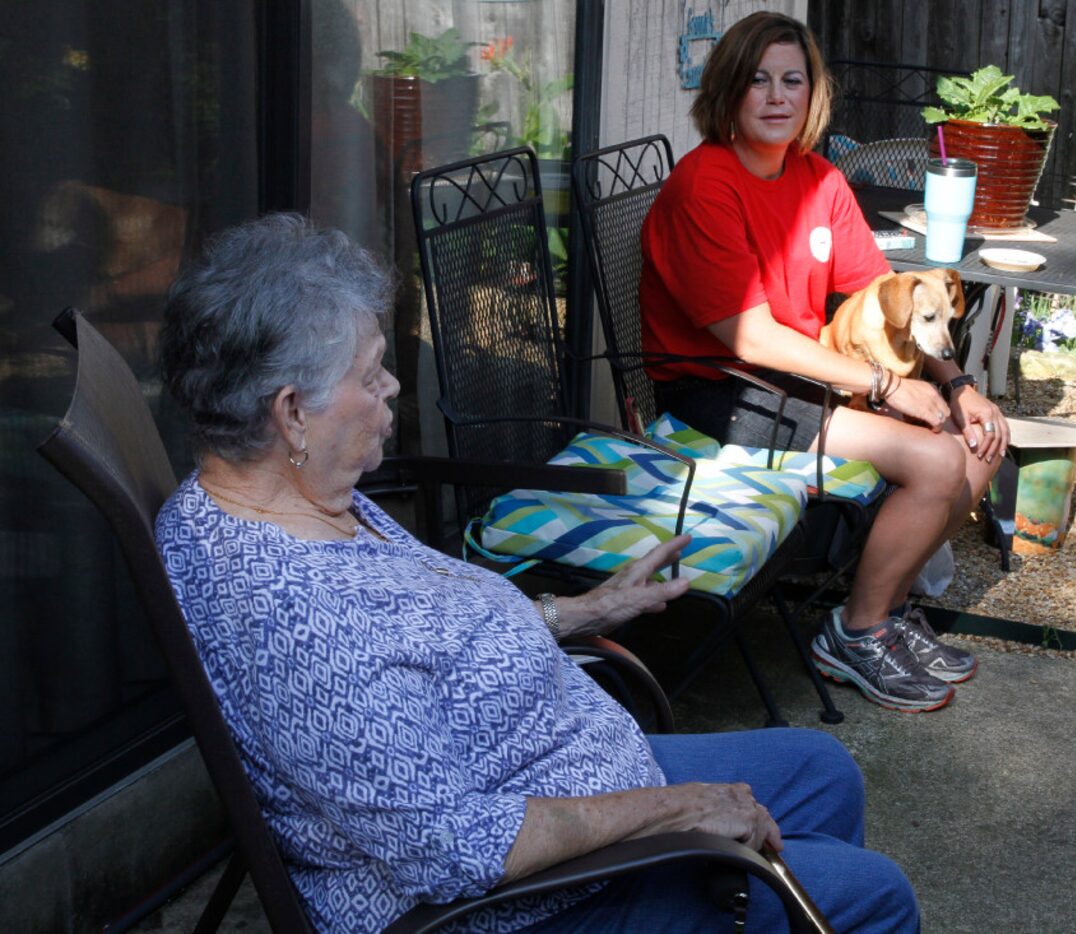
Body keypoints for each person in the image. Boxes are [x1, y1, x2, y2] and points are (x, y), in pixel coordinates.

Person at [154, 213, 919, 932]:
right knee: (872, 894)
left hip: (542, 770)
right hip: (528, 905)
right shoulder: (296, 616)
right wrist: (670, 808)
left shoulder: (274, 492)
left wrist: (578, 614)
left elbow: (415, 650)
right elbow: (451, 848)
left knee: (822, 770)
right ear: (291, 413)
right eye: (372, 372)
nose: (390, 388)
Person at [641, 12, 1010, 713]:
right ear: (725, 90)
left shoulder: (814, 177)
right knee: (934, 460)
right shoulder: (704, 187)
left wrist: (957, 385)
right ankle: (855, 633)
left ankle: (891, 612)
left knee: (980, 439)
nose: (777, 97)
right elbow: (749, 340)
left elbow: (886, 297)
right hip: (719, 391)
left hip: (800, 380)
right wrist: (883, 387)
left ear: (813, 95)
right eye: (758, 81)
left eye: (792, 80)